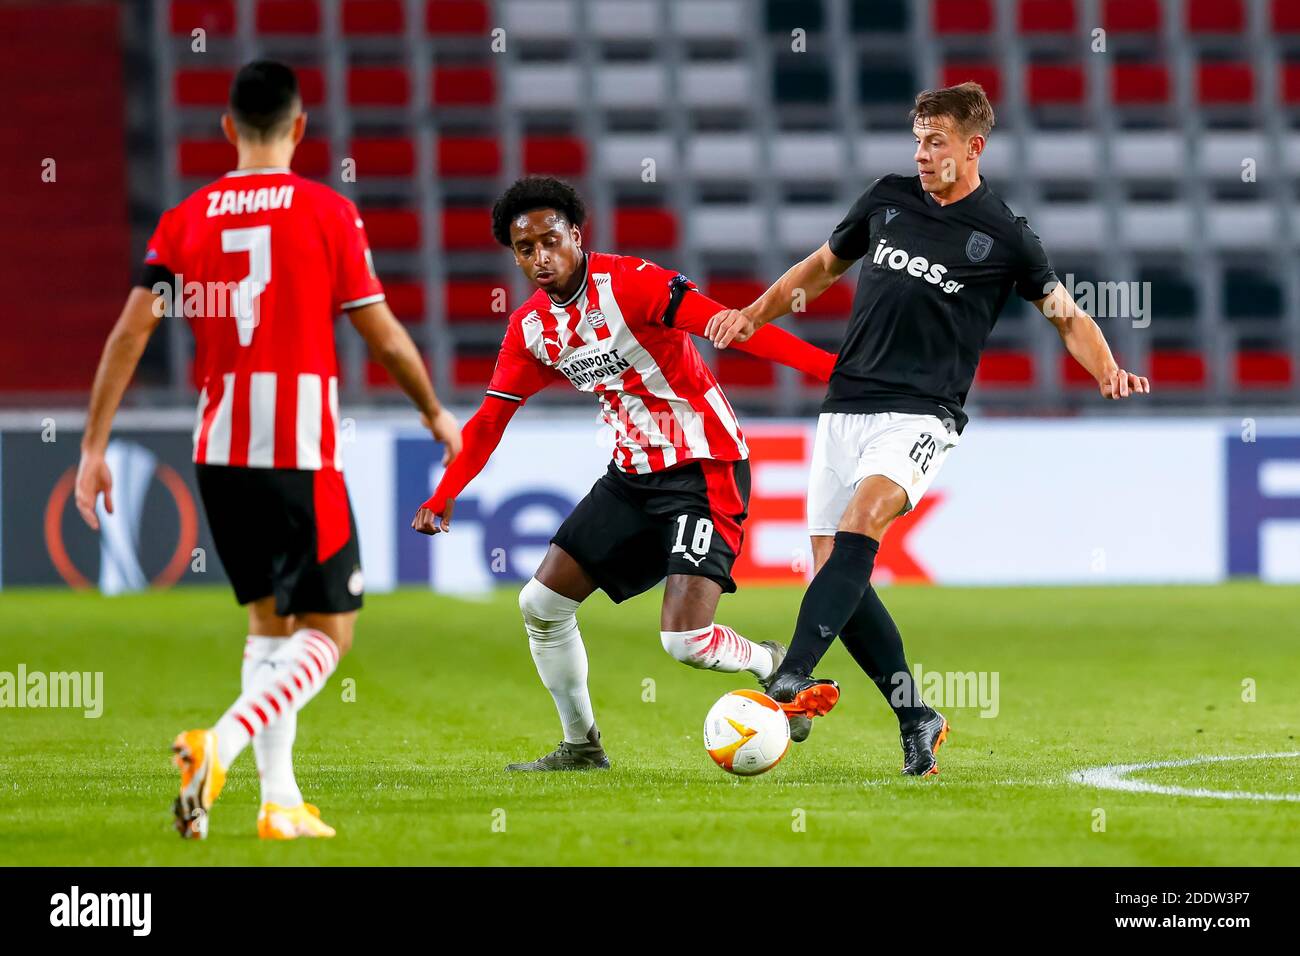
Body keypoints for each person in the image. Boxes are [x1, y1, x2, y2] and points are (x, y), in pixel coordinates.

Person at [706, 82, 1150, 776]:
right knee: (835, 574)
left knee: (863, 524)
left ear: (974, 147)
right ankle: (916, 715)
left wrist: (1107, 368)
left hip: (922, 412)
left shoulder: (1005, 233)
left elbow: (1067, 315)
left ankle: (791, 677)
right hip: (845, 406)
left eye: (935, 140)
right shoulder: (887, 199)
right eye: (917, 139)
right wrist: (752, 314)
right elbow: (822, 269)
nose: (921, 153)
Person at [75, 61, 461, 837]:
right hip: (298, 452)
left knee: (268, 627)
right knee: (331, 631)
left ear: (227, 129)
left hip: (219, 453)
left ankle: (279, 803)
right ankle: (217, 744)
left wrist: (92, 446)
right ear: (299, 127)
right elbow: (380, 333)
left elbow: (128, 334)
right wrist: (432, 411)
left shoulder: (184, 218)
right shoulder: (327, 211)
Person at [411, 176, 838, 770]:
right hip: (631, 478)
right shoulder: (532, 330)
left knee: (683, 642)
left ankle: (772, 663)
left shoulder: (633, 283)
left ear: (576, 236)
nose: (539, 257)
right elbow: (488, 421)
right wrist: (446, 492)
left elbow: (737, 327)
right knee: (540, 604)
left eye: (550, 241)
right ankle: (581, 746)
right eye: (525, 248)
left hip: (703, 467)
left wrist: (832, 371)